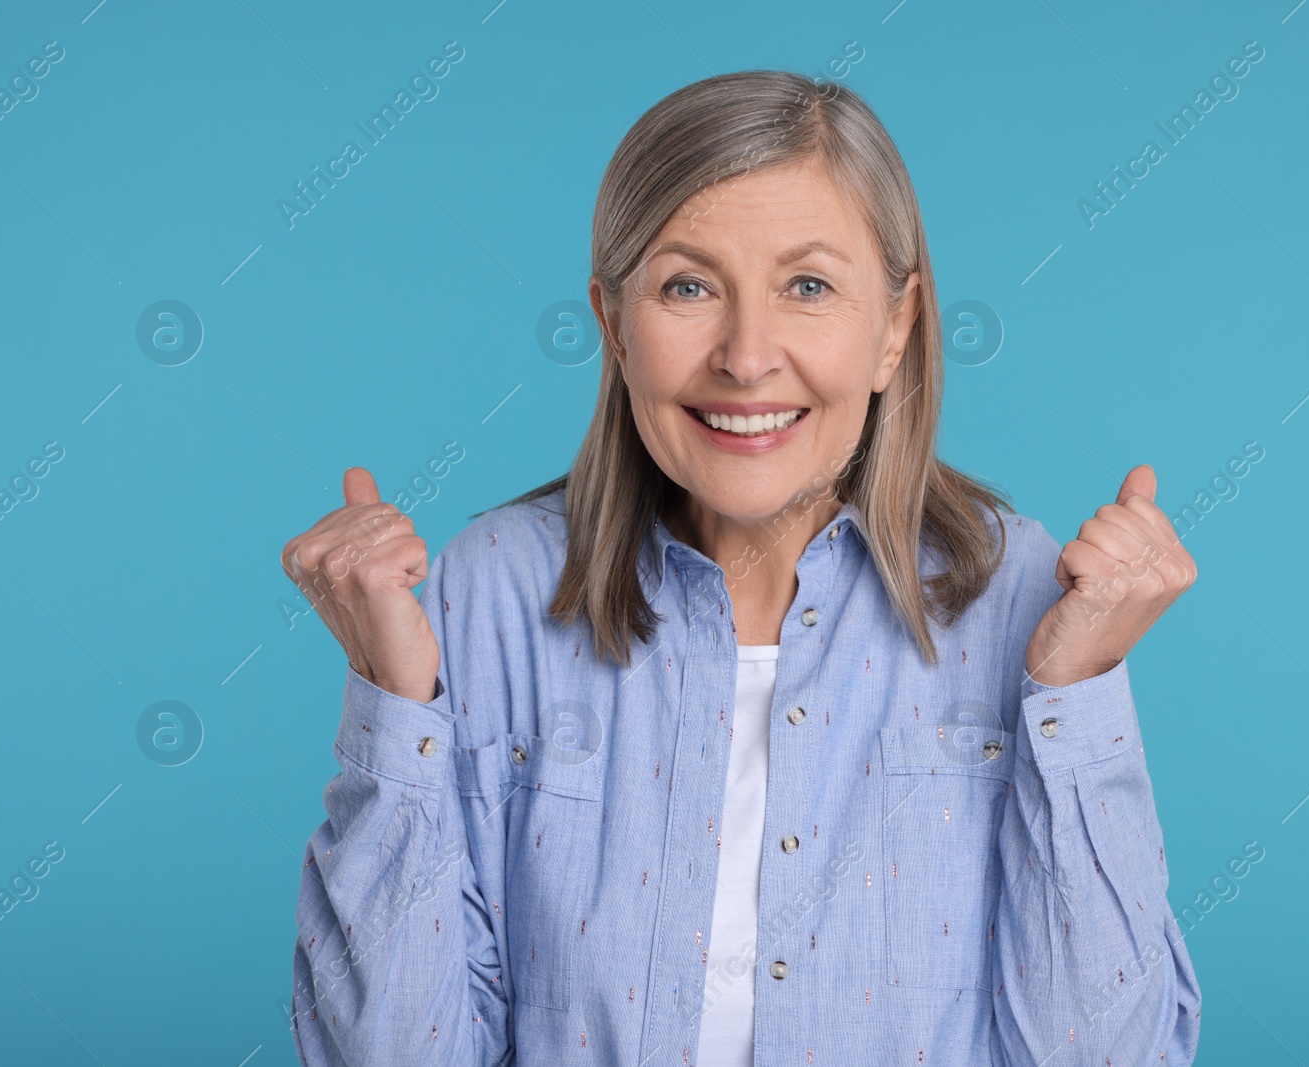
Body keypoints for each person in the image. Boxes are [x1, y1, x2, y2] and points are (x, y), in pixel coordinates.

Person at [282, 69, 1201, 1067]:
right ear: (614, 324)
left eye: (807, 286)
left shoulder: (1018, 593)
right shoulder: (493, 588)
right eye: (688, 286)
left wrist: (1078, 700)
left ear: (895, 326)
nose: (747, 355)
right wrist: (392, 704)